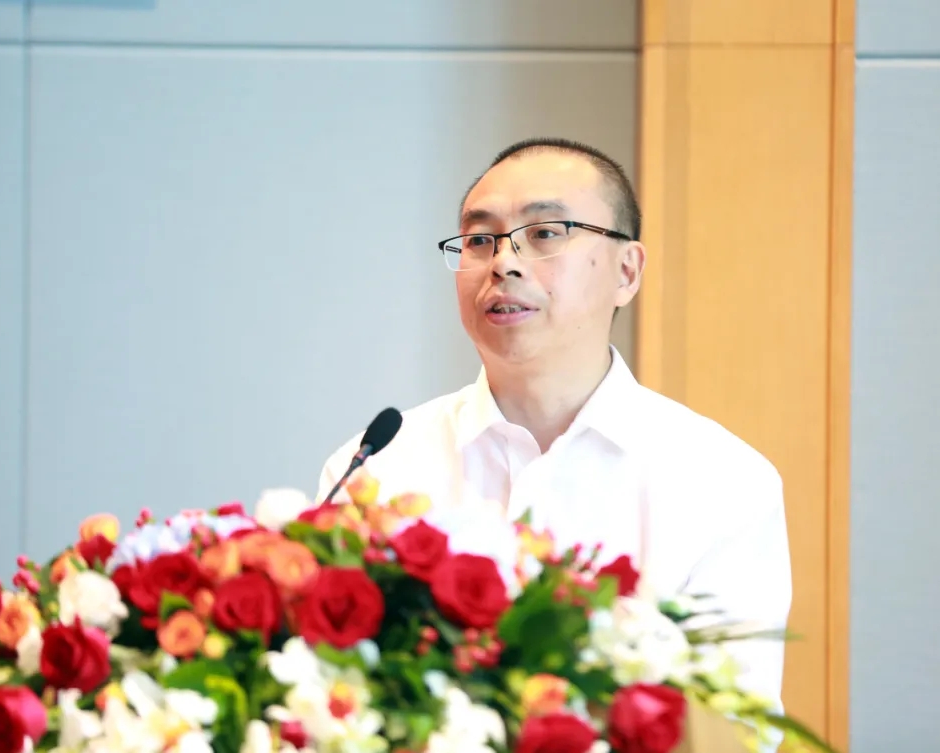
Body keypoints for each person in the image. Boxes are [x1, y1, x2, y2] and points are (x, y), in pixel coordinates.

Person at [316, 137, 792, 736]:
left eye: (544, 233)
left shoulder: (724, 482)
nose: (503, 262)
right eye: (480, 240)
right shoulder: (377, 466)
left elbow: (736, 728)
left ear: (627, 271)